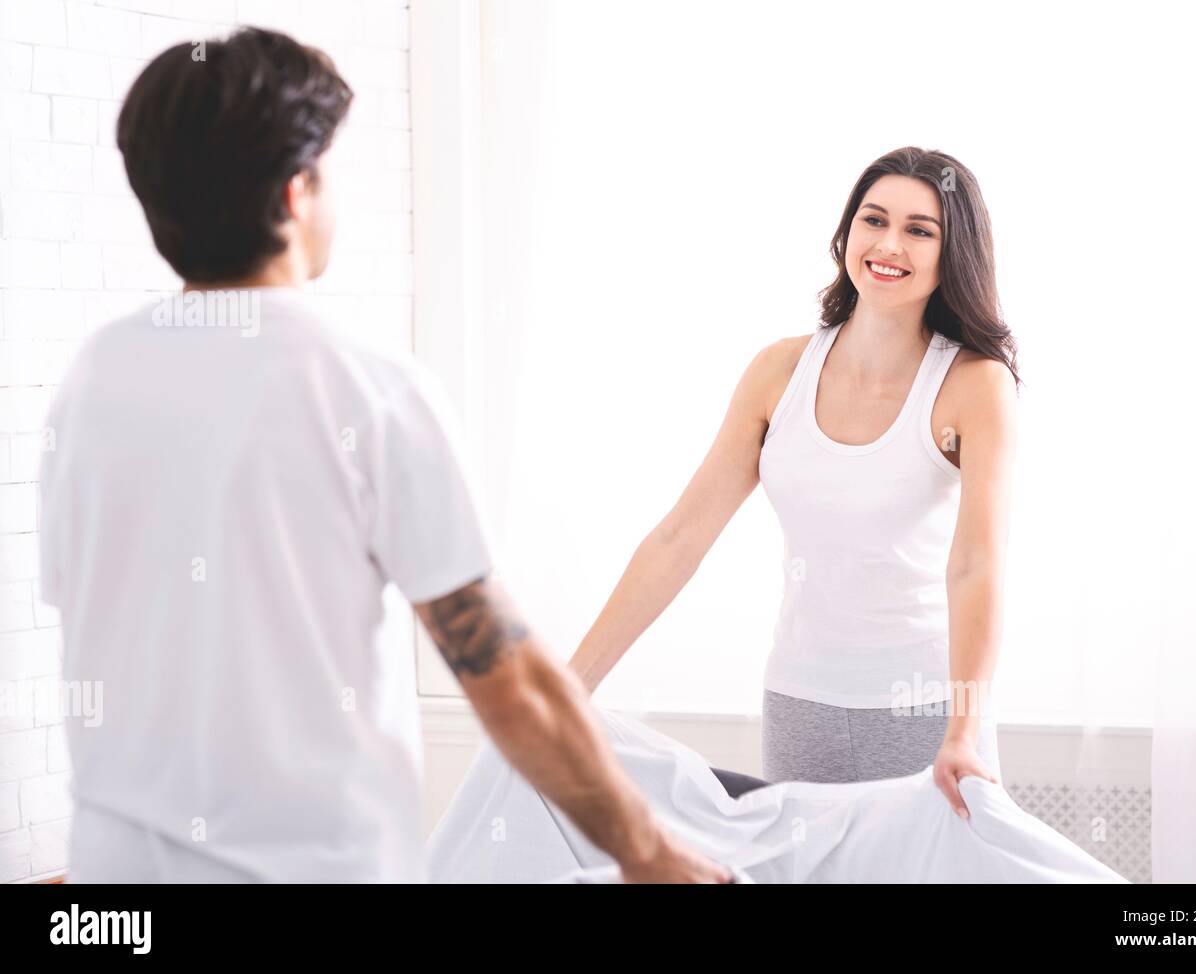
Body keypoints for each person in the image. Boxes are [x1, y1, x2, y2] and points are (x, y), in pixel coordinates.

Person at [38, 26, 731, 884]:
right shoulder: (365, 387)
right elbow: (506, 678)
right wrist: (648, 850)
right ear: (296, 193)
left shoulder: (92, 379)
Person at [568, 147, 1021, 819]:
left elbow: (977, 565)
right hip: (801, 707)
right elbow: (680, 538)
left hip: (924, 713)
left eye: (920, 230)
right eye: (874, 220)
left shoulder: (974, 384)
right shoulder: (778, 372)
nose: (889, 244)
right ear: (846, 235)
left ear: (953, 251)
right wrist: (568, 689)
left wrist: (961, 730)